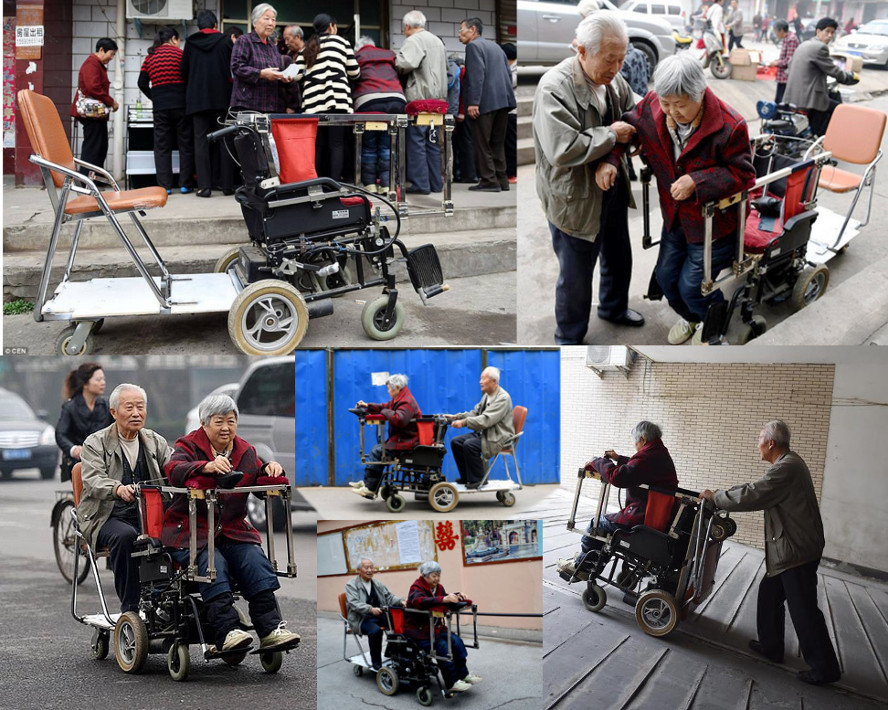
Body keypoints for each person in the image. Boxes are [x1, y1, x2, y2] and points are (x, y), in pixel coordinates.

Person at [603, 53, 755, 345]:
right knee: (665, 278)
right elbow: (628, 130)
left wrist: (697, 181)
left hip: (714, 227)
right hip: (674, 219)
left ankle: (713, 323)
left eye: (680, 105)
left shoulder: (729, 125)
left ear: (699, 93)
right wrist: (611, 159)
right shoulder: (652, 106)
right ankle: (694, 318)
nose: (672, 112)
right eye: (666, 103)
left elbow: (743, 175)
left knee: (691, 287)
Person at [701, 421, 841, 686]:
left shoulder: (786, 468)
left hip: (796, 550)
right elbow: (757, 489)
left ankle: (825, 668)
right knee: (770, 593)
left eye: (759, 440)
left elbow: (755, 494)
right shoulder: (788, 464)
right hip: (794, 547)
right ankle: (772, 646)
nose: (757, 445)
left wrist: (716, 497)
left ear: (771, 443)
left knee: (803, 609)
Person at [532, 13, 644, 345]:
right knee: (576, 275)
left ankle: (613, 308)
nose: (617, 68)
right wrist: (611, 136)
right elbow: (561, 148)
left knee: (619, 255)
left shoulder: (613, 79)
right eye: (610, 59)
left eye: (622, 59)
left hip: (610, 186)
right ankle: (568, 336)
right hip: (573, 196)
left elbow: (633, 112)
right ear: (581, 50)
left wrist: (615, 152)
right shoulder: (554, 87)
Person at [162, 394, 301, 653]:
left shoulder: (244, 450)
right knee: (213, 563)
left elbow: (258, 476)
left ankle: (270, 630)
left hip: (232, 531)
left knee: (254, 559)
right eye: (219, 421)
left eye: (231, 421)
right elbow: (174, 470)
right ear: (204, 423)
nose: (226, 427)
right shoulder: (188, 445)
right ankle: (226, 632)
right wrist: (206, 467)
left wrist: (271, 468)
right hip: (192, 532)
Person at [79, 384, 171, 613]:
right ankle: (130, 608)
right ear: (113, 412)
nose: (136, 413)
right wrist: (117, 489)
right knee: (126, 536)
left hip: (148, 514)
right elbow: (92, 479)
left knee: (178, 532)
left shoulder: (154, 440)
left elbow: (174, 468)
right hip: (105, 515)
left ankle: (164, 601)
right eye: (129, 407)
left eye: (140, 407)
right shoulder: (95, 442)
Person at [557, 421, 678, 579]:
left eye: (635, 441)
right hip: (654, 513)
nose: (635, 445)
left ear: (642, 439)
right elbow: (638, 468)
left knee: (596, 523)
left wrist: (597, 461)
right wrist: (618, 458)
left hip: (643, 516)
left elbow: (619, 477)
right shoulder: (658, 452)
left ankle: (583, 567)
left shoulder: (648, 455)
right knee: (606, 526)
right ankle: (588, 561)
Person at [292, 14, 360, 181]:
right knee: (337, 144)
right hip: (337, 99)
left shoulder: (307, 46)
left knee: (318, 144)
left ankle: (316, 182)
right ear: (332, 26)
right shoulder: (342, 42)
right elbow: (354, 72)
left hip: (314, 102)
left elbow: (296, 76)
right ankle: (334, 183)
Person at [181, 10, 235, 198]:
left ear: (199, 26)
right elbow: (233, 68)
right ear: (214, 24)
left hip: (197, 100)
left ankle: (204, 187)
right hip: (222, 99)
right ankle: (227, 185)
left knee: (201, 143)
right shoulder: (226, 41)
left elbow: (183, 71)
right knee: (225, 140)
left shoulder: (190, 43)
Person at [458, 17, 516, 193]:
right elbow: (507, 73)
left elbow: (476, 75)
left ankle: (489, 181)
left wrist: (473, 102)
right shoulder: (496, 47)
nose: (459, 34)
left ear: (473, 30)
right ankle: (501, 180)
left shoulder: (474, 46)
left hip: (485, 103)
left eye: (462, 30)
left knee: (482, 143)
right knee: (497, 144)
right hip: (503, 102)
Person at [405, 561, 481, 694]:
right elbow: (418, 602)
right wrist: (443, 599)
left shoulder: (438, 587)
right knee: (443, 647)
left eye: (439, 575)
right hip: (420, 631)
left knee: (456, 641)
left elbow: (444, 599)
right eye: (434, 576)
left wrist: (457, 596)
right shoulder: (416, 587)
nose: (437, 579)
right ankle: (452, 683)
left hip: (436, 628)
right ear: (424, 575)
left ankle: (464, 675)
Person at [395, 10, 448, 195]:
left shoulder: (414, 40)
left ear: (408, 27)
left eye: (404, 29)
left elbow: (404, 64)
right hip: (438, 100)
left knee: (416, 140)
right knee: (432, 141)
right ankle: (435, 183)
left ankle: (420, 184)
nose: (404, 33)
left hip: (421, 99)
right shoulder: (436, 41)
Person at [138, 26, 194, 195]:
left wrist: (154, 97)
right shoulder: (181, 55)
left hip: (161, 106)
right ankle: (185, 184)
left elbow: (141, 83)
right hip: (181, 104)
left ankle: (165, 186)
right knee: (185, 144)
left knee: (162, 146)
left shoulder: (150, 57)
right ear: (174, 39)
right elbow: (189, 77)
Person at [783, 17, 858, 136]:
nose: (830, 35)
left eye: (832, 33)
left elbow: (791, 67)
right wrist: (847, 77)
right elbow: (833, 70)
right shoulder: (820, 48)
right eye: (827, 31)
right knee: (839, 109)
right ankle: (820, 138)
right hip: (809, 98)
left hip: (793, 96)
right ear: (818, 31)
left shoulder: (804, 44)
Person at [351, 374, 421, 498]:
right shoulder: (400, 398)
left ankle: (370, 488)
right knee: (376, 449)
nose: (388, 392)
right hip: (401, 439)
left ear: (397, 387)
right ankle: (368, 482)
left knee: (377, 452)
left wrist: (383, 412)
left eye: (389, 389)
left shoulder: (406, 401)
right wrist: (368, 406)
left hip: (406, 442)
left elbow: (399, 419)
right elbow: (385, 406)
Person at [353, 36, 406, 192]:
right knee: (388, 145)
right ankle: (387, 184)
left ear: (359, 48)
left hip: (369, 100)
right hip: (396, 99)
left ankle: (369, 184)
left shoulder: (357, 56)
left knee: (369, 145)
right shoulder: (390, 54)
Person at [447, 367, 514, 489]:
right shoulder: (487, 396)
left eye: (483, 378)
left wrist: (464, 422)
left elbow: (486, 420)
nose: (480, 382)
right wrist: (457, 417)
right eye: (480, 378)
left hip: (498, 436)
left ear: (494, 381)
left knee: (469, 445)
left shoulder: (503, 398)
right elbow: (475, 413)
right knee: (456, 442)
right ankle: (467, 477)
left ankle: (479, 479)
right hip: (487, 433)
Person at [230, 3, 293, 114]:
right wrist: (261, 73)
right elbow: (237, 66)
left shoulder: (272, 47)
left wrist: (282, 77)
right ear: (255, 22)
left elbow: (274, 71)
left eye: (273, 20)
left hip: (270, 105)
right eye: (266, 18)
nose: (271, 23)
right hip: (248, 105)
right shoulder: (244, 41)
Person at [55, 363, 112, 483]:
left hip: (104, 460)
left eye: (103, 379)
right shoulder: (70, 407)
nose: (103, 382)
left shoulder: (107, 406)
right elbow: (60, 434)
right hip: (79, 461)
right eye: (98, 379)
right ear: (85, 384)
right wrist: (73, 449)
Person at [70, 38, 119, 176]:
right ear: (101, 49)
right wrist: (111, 102)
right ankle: (86, 180)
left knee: (100, 146)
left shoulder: (96, 64)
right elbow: (93, 87)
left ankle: (94, 179)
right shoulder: (92, 64)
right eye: (111, 53)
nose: (112, 57)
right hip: (91, 115)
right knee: (93, 146)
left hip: (96, 115)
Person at [345, 558, 404, 671]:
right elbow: (354, 604)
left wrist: (401, 601)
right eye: (366, 567)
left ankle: (391, 652)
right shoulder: (351, 585)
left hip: (377, 615)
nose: (370, 570)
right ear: (358, 570)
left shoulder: (377, 584)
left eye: (371, 567)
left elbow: (389, 597)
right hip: (360, 619)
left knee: (399, 623)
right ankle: (376, 663)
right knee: (375, 631)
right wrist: (370, 609)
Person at [770, 20, 800, 104]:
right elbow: (786, 57)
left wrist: (776, 63)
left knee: (781, 102)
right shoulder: (786, 38)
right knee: (778, 100)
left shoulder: (791, 40)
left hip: (786, 78)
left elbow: (789, 61)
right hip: (782, 77)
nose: (775, 33)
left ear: (782, 30)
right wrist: (777, 60)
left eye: (775, 31)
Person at [501, 43, 518, 184]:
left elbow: (508, 84)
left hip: (513, 112)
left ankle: (512, 173)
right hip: (509, 111)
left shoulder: (515, 70)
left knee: (511, 144)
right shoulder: (510, 68)